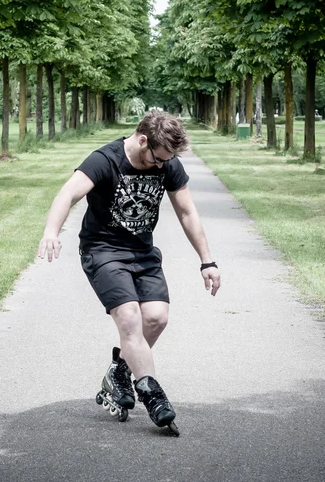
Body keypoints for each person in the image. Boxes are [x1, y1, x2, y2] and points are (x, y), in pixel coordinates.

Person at [37, 111, 221, 430]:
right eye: (158, 159)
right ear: (142, 140)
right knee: (130, 318)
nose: (162, 166)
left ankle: (119, 371)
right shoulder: (105, 160)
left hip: (143, 252)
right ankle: (152, 394)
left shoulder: (167, 163)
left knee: (156, 318)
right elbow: (68, 192)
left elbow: (188, 212)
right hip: (103, 250)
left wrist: (207, 261)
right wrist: (51, 232)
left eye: (167, 160)